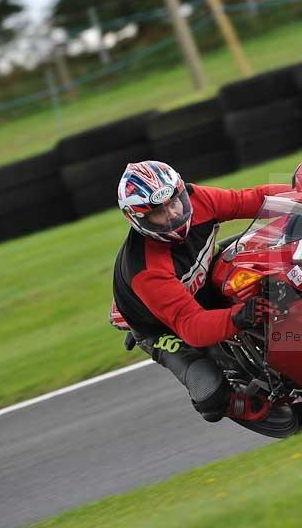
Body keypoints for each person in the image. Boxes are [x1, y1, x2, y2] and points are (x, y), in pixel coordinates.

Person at [110, 160, 289, 422]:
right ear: (138, 220)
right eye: (158, 212)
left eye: (174, 201)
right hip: (161, 324)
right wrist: (240, 316)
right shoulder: (146, 269)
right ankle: (231, 403)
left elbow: (251, 200)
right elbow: (192, 326)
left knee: (264, 253)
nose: (172, 213)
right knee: (208, 391)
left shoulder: (198, 199)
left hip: (201, 275)